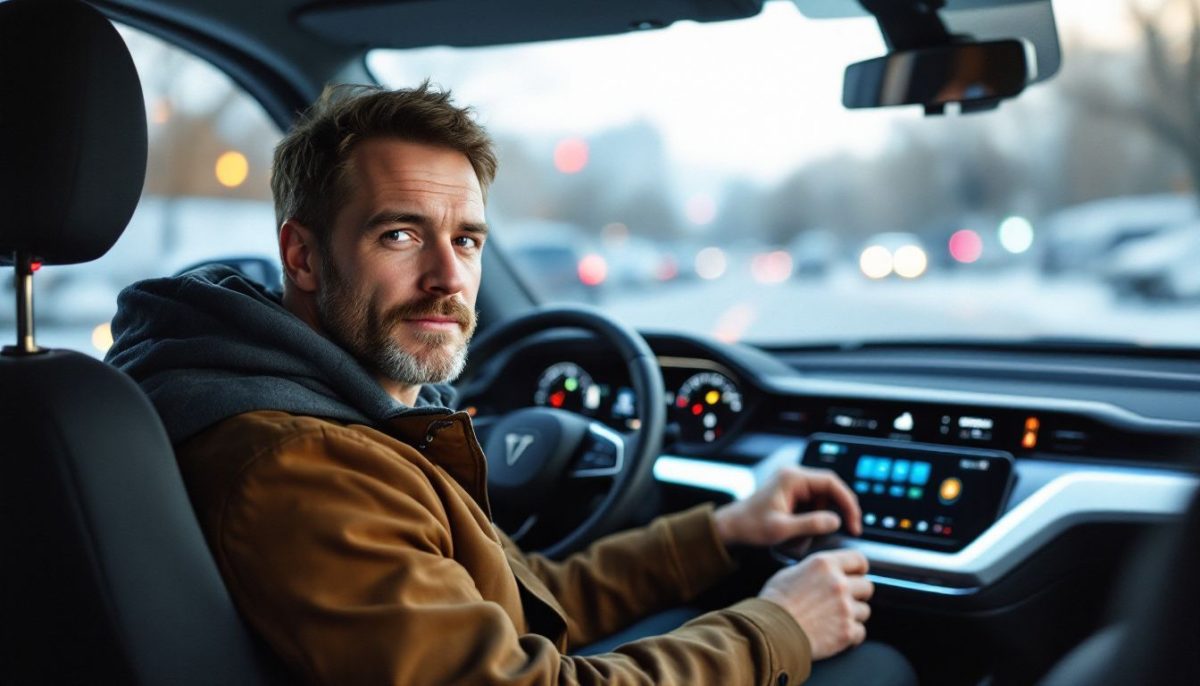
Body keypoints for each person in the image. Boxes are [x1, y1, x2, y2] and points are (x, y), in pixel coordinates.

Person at [107, 83, 915, 685]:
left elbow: (519, 601)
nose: (447, 278)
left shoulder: (321, 411)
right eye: (400, 235)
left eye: (467, 239)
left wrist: (723, 534)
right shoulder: (303, 467)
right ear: (305, 257)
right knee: (874, 668)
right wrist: (779, 626)